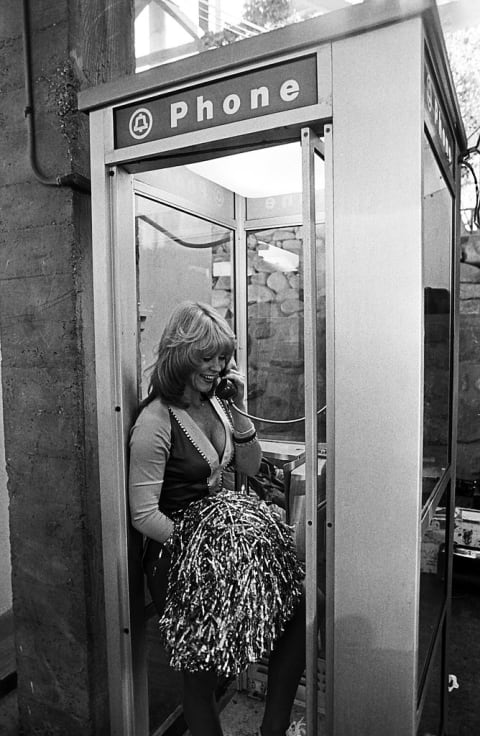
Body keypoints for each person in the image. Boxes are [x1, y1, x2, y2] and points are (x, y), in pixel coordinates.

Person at [128, 301, 306, 736]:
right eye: (206, 358)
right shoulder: (155, 421)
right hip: (178, 552)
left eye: (222, 358)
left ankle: (274, 728)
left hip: (221, 542)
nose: (216, 367)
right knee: (201, 668)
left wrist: (239, 404)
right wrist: (204, 546)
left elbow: (248, 464)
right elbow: (142, 514)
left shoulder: (217, 405)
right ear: (179, 356)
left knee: (303, 602)